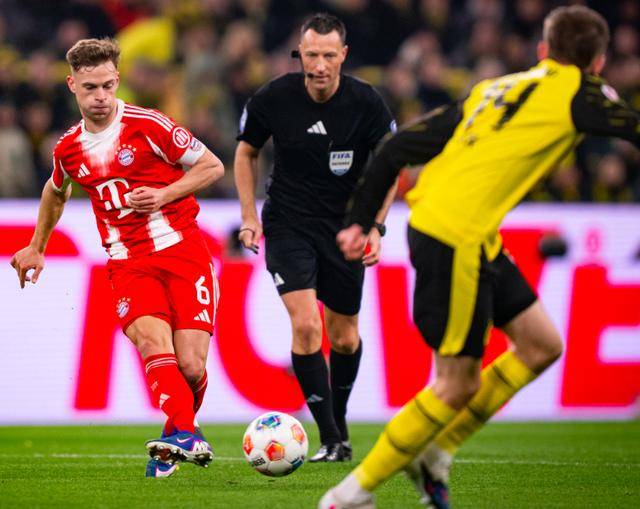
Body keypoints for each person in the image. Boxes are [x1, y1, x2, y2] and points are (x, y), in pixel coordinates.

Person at [321, 6, 640, 508]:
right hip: (456, 236)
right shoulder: (582, 93)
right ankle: (348, 495)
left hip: (461, 229)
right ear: (598, 62)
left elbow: (398, 146)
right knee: (456, 384)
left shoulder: (493, 88)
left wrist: (360, 219)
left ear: (543, 50)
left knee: (541, 344)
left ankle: (435, 453)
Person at [9, 38, 224, 478]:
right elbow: (56, 190)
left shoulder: (150, 125)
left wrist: (164, 194)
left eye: (107, 86)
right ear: (72, 85)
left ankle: (174, 435)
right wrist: (37, 246)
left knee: (190, 366)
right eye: (90, 88)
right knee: (152, 344)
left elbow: (212, 166)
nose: (101, 96)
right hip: (128, 262)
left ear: (118, 81)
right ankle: (186, 433)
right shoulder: (69, 147)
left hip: (183, 251)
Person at [234, 12, 397, 462]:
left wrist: (376, 226)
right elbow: (246, 152)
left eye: (328, 55)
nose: (319, 65)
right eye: (311, 55)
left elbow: (390, 164)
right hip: (288, 224)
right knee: (307, 325)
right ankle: (329, 437)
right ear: (300, 54)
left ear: (343, 55)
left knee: (343, 337)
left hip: (346, 229)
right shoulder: (274, 97)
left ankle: (337, 423)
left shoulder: (366, 102)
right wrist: (249, 215)